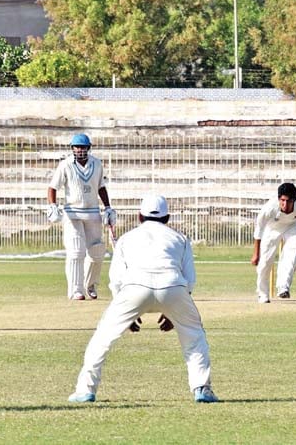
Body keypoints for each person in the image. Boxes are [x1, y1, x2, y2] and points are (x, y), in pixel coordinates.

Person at [68, 194, 218, 404]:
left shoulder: (127, 238)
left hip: (134, 287)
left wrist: (127, 312)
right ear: (167, 218)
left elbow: (116, 280)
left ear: (140, 216)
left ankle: (85, 390)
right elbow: (189, 280)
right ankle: (202, 388)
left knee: (102, 338)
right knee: (194, 337)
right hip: (173, 286)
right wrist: (173, 311)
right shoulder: (181, 239)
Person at [47, 134, 116, 300]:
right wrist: (53, 206)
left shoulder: (96, 164)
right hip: (72, 213)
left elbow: (101, 187)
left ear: (88, 148)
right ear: (72, 148)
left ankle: (90, 285)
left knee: (97, 251)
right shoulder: (65, 165)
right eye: (77, 147)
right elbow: (52, 187)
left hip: (92, 212)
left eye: (83, 147)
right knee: (76, 251)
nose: (80, 150)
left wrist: (107, 207)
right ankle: (75, 290)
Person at [251, 183, 296, 303]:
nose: (285, 204)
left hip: (293, 226)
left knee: (292, 253)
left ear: (294, 200)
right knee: (265, 262)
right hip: (272, 228)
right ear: (279, 199)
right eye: (282, 200)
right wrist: (256, 253)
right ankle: (263, 293)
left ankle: (283, 287)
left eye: (288, 201)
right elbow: (259, 229)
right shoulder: (270, 207)